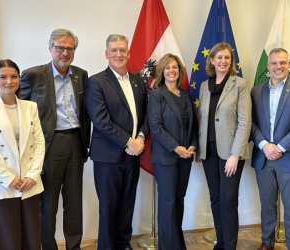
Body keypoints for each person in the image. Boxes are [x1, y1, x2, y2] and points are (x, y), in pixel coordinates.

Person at [20, 28, 90, 250]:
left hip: (76, 143)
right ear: (50, 48)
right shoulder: (33, 75)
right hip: (49, 145)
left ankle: (74, 247)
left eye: (70, 48)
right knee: (48, 203)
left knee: (74, 202)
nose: (65, 52)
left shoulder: (81, 75)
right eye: (60, 47)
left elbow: (86, 112)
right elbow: (20, 112)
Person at [0, 59, 45, 250]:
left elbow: (38, 143)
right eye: (3, 77)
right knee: (7, 242)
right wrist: (8, 178)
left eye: (13, 76)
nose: (9, 81)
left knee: (31, 240)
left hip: (29, 184)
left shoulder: (30, 107)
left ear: (19, 79)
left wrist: (33, 175)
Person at [85, 34, 148, 250]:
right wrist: (128, 142)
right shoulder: (95, 82)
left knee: (127, 204)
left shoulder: (139, 82)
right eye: (114, 50)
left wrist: (140, 138)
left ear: (128, 53)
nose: (118, 54)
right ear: (106, 54)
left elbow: (146, 115)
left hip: (133, 155)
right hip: (108, 157)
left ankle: (123, 244)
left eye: (122, 50)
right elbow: (101, 120)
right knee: (109, 207)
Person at [251, 48, 290, 250]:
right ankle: (267, 242)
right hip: (264, 158)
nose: (278, 67)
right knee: (267, 205)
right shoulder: (257, 90)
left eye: (283, 63)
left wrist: (279, 147)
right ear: (268, 67)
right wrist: (264, 145)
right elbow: (251, 123)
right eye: (274, 63)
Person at [196, 42, 251, 250]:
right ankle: (220, 243)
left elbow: (245, 121)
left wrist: (235, 154)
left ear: (231, 61)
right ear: (211, 60)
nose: (223, 61)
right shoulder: (204, 86)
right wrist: (200, 150)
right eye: (219, 57)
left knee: (228, 200)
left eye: (227, 57)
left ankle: (230, 246)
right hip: (208, 152)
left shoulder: (240, 84)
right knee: (216, 199)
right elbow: (202, 119)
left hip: (231, 153)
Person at [148, 53, 198, 250]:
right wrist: (176, 148)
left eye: (175, 67)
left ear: (180, 70)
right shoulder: (156, 95)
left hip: (185, 157)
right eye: (167, 67)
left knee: (178, 201)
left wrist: (193, 144)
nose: (171, 71)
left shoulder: (185, 94)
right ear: (162, 71)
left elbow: (194, 124)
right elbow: (155, 126)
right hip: (166, 157)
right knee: (167, 203)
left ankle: (177, 245)